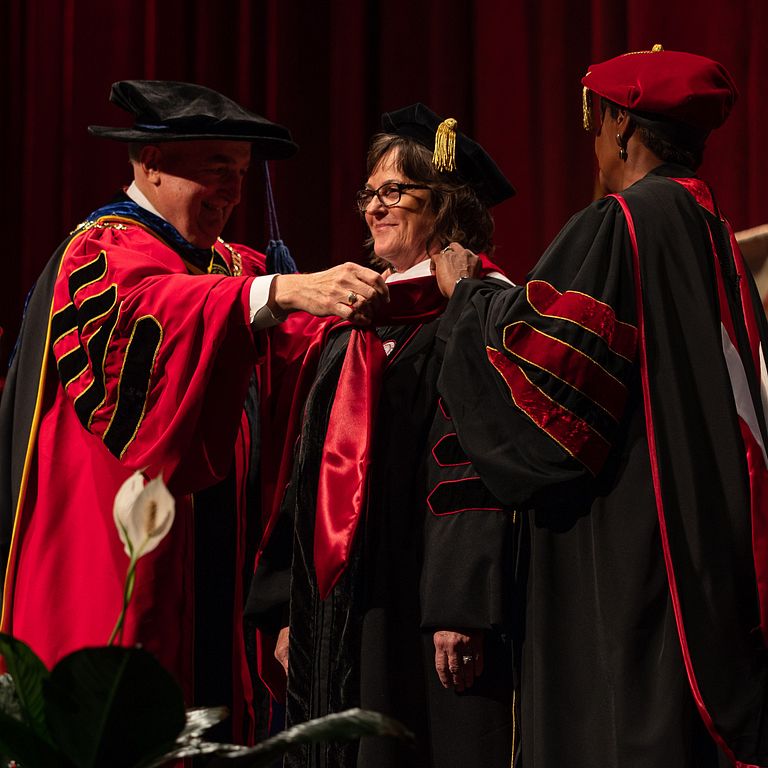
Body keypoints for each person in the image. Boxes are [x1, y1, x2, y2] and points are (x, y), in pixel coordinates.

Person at [0, 80, 388, 740]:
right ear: (151, 164)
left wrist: (398, 309)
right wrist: (282, 289)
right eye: (215, 171)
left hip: (211, 555)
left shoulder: (227, 264)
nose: (232, 193)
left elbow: (299, 347)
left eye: (239, 175)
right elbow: (162, 311)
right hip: (112, 547)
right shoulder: (99, 253)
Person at [430, 47, 768, 766]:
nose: (595, 149)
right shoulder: (710, 227)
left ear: (620, 125)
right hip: (707, 554)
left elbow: (542, 396)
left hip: (628, 552)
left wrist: (467, 297)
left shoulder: (621, 223)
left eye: (597, 127)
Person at [247, 104, 518, 767]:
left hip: (427, 608)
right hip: (343, 610)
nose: (372, 208)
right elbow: (307, 472)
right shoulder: (353, 329)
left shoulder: (481, 312)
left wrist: (462, 607)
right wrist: (290, 605)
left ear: (444, 201)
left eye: (392, 191)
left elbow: (475, 470)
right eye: (368, 193)